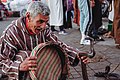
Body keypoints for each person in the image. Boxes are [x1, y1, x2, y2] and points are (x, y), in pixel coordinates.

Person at [0, 1, 90, 80]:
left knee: (54, 52)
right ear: (28, 16)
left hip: (41, 72)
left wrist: (77, 54)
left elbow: (58, 44)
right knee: (26, 56)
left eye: (46, 22)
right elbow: (1, 62)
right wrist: (19, 66)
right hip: (19, 75)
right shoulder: (11, 33)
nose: (43, 26)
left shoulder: (44, 29)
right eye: (40, 21)